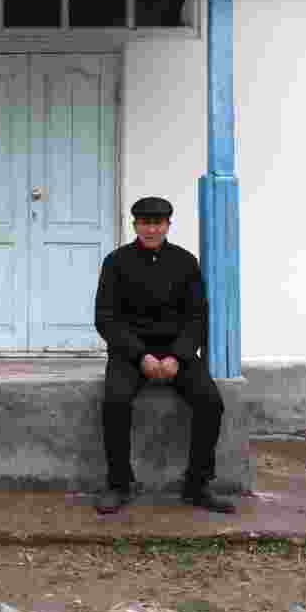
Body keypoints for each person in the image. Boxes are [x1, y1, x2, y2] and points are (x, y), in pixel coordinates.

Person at [93, 196, 236, 515]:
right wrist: (140, 356)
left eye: (158, 223)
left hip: (177, 353)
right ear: (135, 226)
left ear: (168, 225)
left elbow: (197, 317)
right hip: (130, 353)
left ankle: (197, 485)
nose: (151, 229)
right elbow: (105, 318)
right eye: (145, 223)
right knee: (115, 401)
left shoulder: (185, 262)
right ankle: (119, 484)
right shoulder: (115, 262)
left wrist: (178, 356)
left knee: (210, 401)